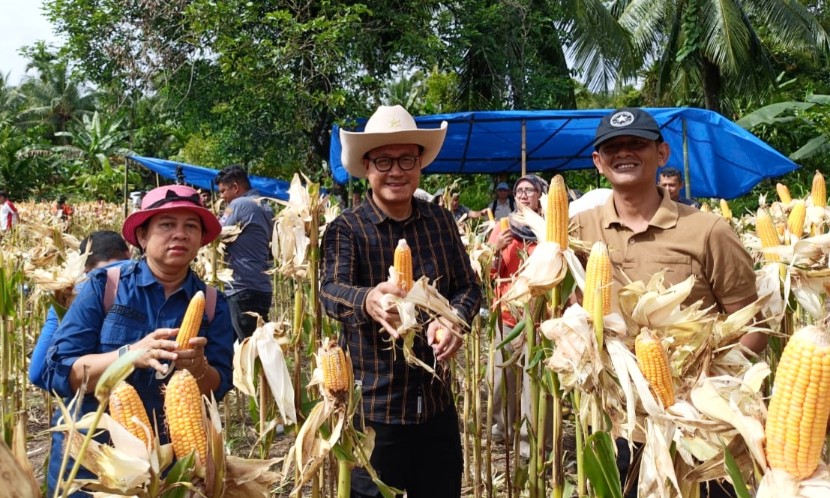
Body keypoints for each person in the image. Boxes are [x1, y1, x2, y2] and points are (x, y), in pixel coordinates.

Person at [573, 107, 766, 498]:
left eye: (636, 144)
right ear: (598, 162)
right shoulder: (581, 229)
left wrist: (712, 391)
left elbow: (751, 324)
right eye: (612, 147)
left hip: (699, 425)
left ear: (661, 154)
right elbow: (567, 310)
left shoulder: (708, 230)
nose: (624, 153)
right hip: (620, 422)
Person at [320, 104, 481, 498]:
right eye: (384, 161)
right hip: (376, 411)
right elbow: (330, 289)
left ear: (420, 163)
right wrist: (369, 299)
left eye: (407, 159)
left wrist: (454, 320)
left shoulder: (440, 221)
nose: (396, 171)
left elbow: (469, 287)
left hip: (435, 404)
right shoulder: (348, 228)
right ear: (367, 166)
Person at [41, 185, 235, 498]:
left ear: (201, 239)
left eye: (191, 226)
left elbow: (221, 383)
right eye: (167, 225)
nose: (180, 234)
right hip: (94, 458)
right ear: (142, 237)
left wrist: (199, 368)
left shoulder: (213, 304)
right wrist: (128, 354)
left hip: (173, 464)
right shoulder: (104, 287)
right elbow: (58, 371)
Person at [488, 174, 550, 458]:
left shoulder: (549, 228)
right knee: (502, 379)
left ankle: (530, 441)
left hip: (538, 315)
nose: (524, 195)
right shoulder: (503, 227)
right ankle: (504, 427)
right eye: (519, 190)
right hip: (506, 312)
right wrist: (495, 250)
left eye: (530, 190)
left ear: (540, 195)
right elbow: (488, 271)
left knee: (532, 380)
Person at [29, 231, 131, 390]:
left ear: (84, 267)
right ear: (128, 253)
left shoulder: (69, 294)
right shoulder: (158, 282)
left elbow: (38, 373)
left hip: (91, 405)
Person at [215, 165, 274, 340]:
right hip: (261, 286)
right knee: (259, 347)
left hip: (242, 287)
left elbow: (216, 232)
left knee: (247, 349)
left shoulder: (237, 204)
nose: (221, 196)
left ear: (235, 187)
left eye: (224, 191)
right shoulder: (265, 206)